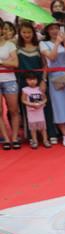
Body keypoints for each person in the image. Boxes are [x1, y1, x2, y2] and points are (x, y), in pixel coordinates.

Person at [0, 21, 22, 149]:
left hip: (9, 80)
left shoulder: (10, 45)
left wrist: (2, 63)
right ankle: (6, 139)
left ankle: (14, 137)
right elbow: (11, 62)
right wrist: (6, 62)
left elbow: (15, 64)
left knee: (13, 110)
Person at [21, 72, 50, 149]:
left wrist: (41, 103)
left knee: (43, 127)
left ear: (37, 80)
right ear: (26, 80)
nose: (32, 81)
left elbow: (45, 98)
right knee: (32, 128)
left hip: (40, 111)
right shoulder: (25, 90)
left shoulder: (40, 89)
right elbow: (23, 100)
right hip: (31, 112)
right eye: (29, 80)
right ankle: (34, 141)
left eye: (34, 79)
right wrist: (30, 104)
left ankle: (45, 140)